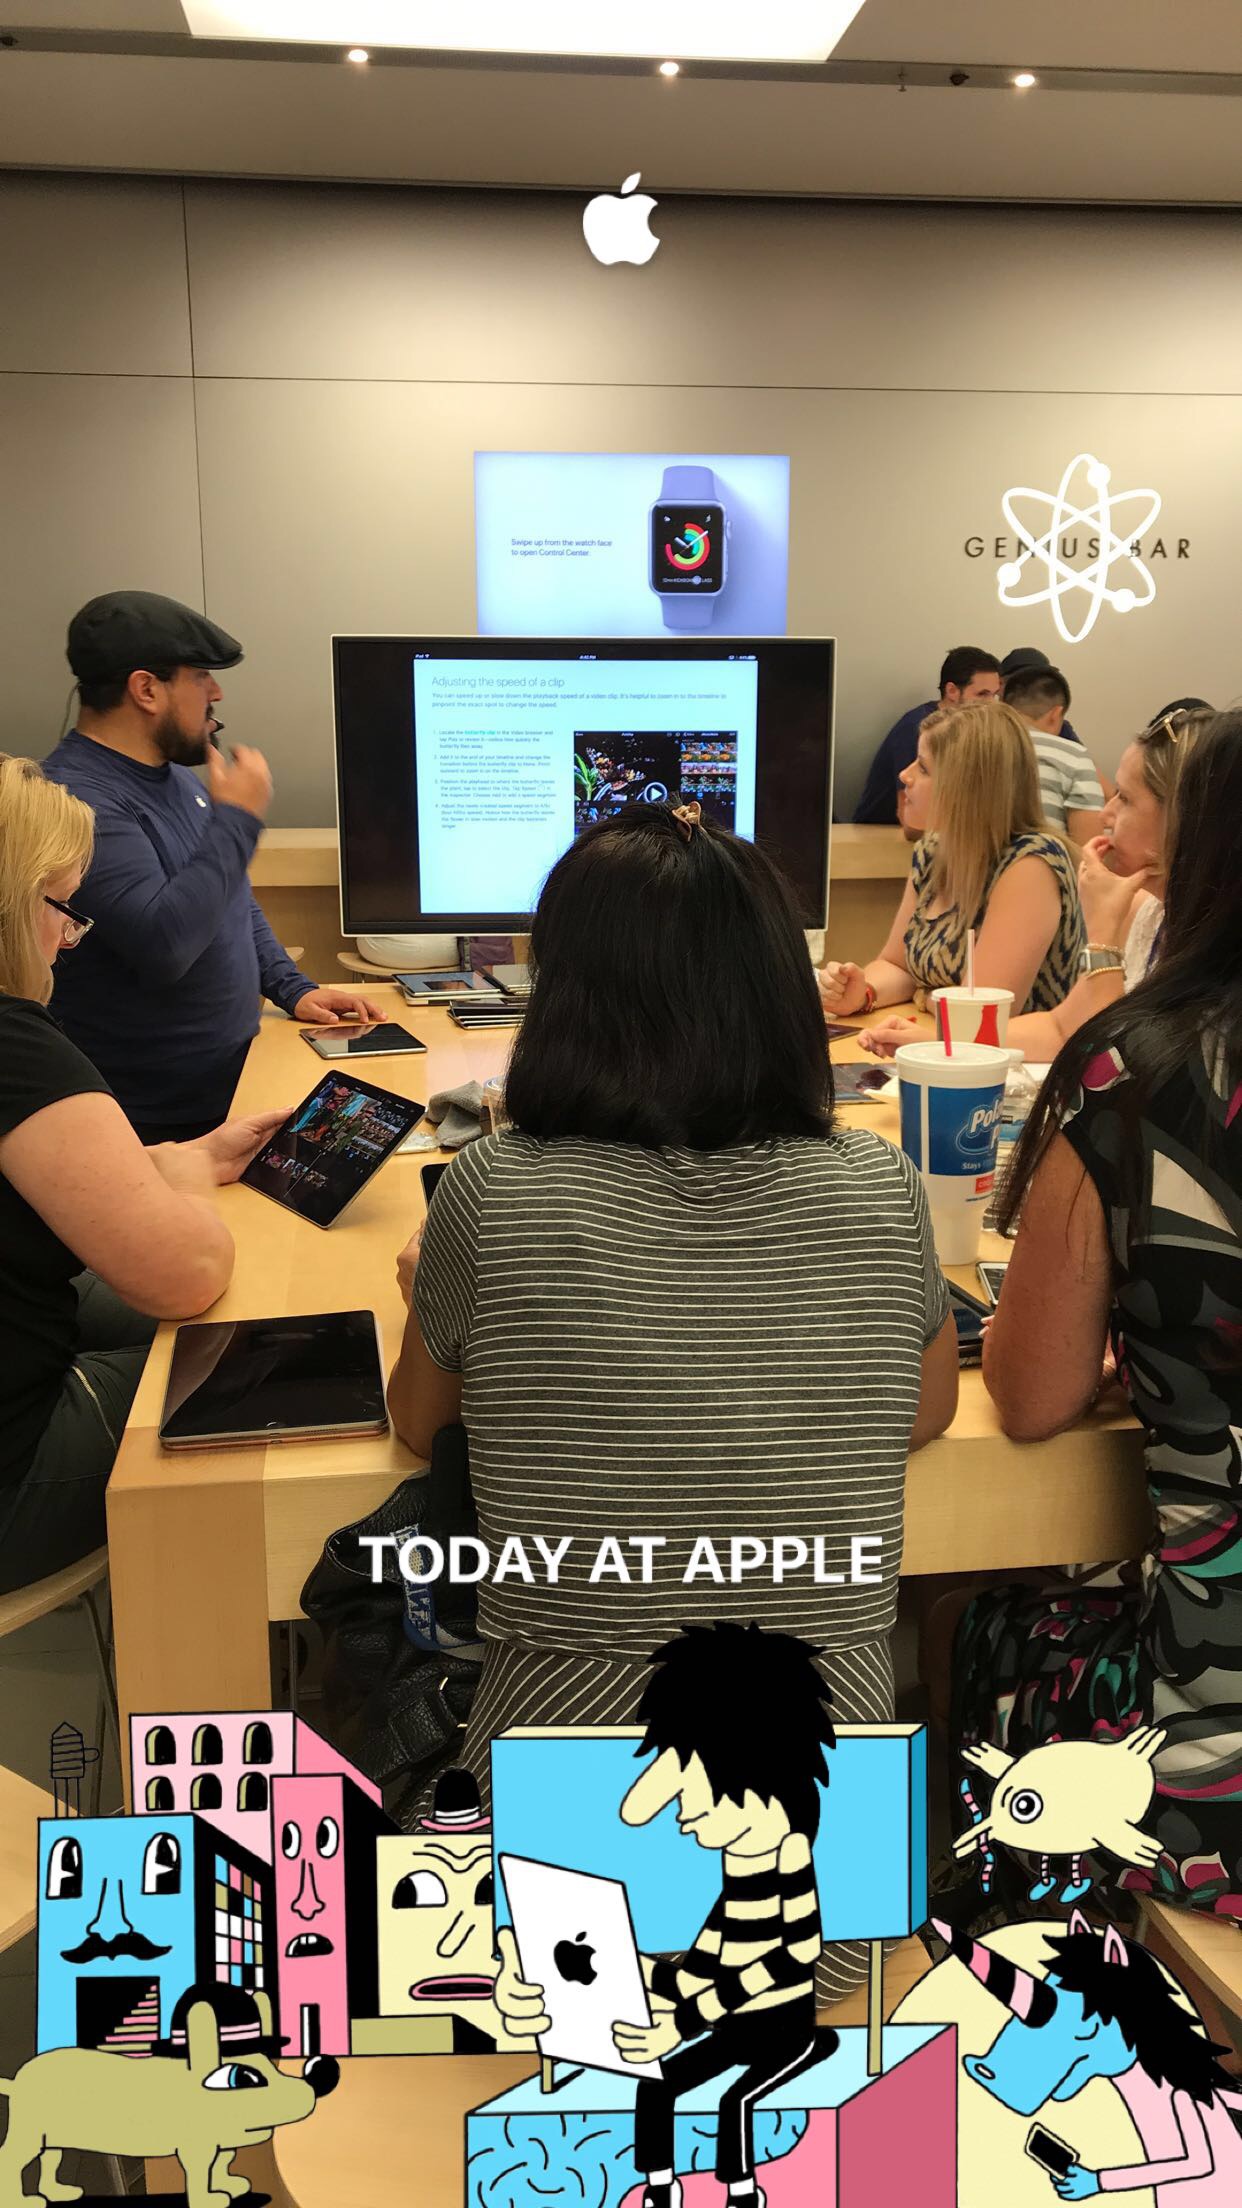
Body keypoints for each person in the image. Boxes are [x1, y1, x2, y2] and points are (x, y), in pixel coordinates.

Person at [387, 799, 958, 2001]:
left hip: (557, 1851)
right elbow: (925, 1414)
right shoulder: (877, 1184)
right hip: (828, 1860)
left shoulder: (491, 1191)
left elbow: (418, 1424)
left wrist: (442, 1298)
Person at [954, 708, 1242, 1917]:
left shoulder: (1139, 1072)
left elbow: (1032, 1398)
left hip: (1213, 1755)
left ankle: (1033, 1993)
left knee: (993, 1630)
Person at [0, 756, 287, 1596]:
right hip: (14, 1484)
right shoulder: (16, 1046)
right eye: (62, 908)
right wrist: (192, 1196)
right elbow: (188, 1275)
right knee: (269, 1353)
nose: (68, 936)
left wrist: (183, 1160)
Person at [495, 1623, 838, 2208]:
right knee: (658, 2087)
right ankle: (659, 2189)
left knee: (737, 2103)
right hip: (732, 2027)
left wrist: (683, 2022)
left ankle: (741, 2193)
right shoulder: (733, 1886)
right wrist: (614, 1965)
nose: (681, 1817)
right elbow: (695, 1972)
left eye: (691, 1796)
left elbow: (794, 1954)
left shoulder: (790, 1852)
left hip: (783, 2030)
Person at [42, 591, 383, 1145]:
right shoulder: (77, 801)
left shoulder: (175, 780)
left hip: (228, 1090)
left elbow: (230, 896)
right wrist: (240, 820)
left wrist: (291, 987)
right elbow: (164, 944)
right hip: (149, 1124)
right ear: (147, 689)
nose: (217, 692)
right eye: (201, 675)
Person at [856, 702, 1214, 1062]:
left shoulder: (1034, 861)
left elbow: (1108, 1053)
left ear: (1182, 816)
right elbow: (1060, 1030)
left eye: (1125, 798)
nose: (1106, 812)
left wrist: (1103, 932)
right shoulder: (1150, 913)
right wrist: (924, 1033)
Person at [822, 702, 1085, 1021]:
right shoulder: (932, 850)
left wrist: (925, 994)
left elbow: (979, 1016)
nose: (904, 776)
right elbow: (897, 965)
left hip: (1021, 1066)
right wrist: (864, 993)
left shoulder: (1032, 863)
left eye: (923, 767)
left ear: (966, 787)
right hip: (946, 1049)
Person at [852, 645, 1001, 825]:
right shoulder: (917, 728)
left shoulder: (969, 730)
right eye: (982, 694)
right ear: (952, 691)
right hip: (882, 833)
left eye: (994, 695)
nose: (991, 704)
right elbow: (905, 815)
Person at [999, 664, 1106, 841]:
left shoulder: (973, 748)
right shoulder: (1075, 757)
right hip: (1043, 864)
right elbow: (1087, 850)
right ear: (1055, 714)